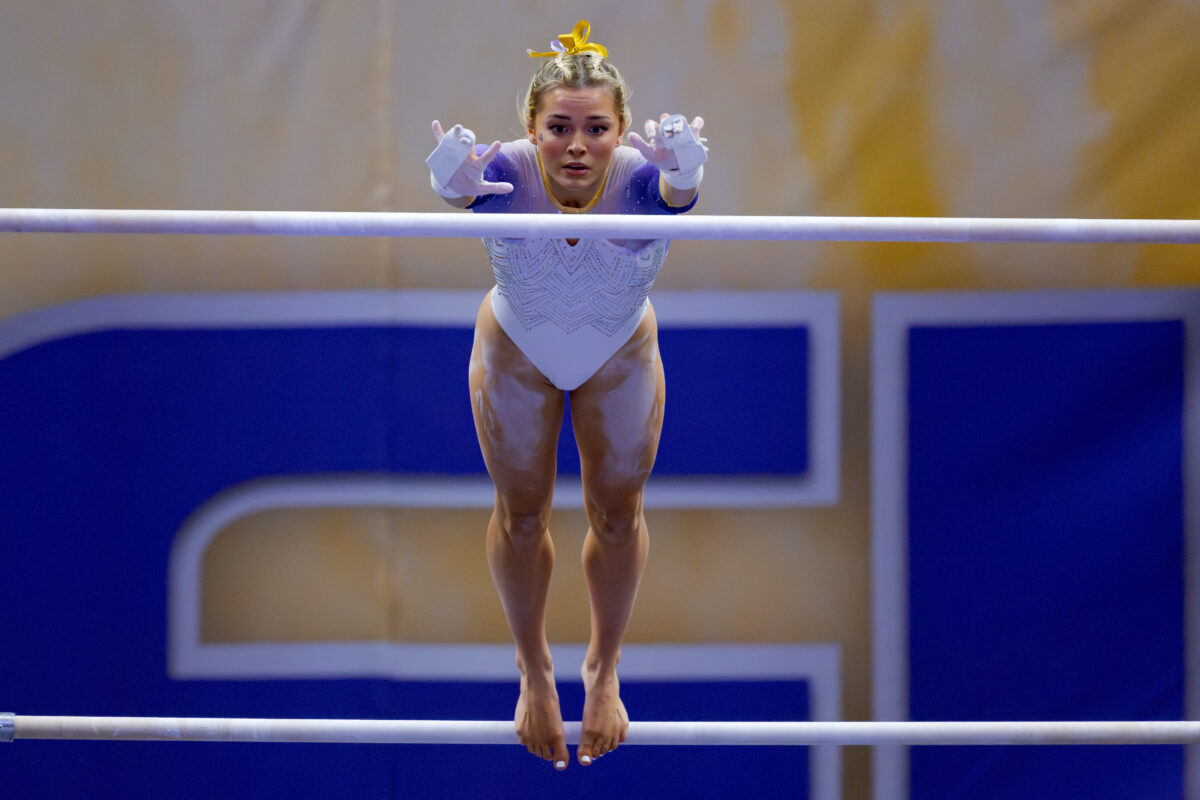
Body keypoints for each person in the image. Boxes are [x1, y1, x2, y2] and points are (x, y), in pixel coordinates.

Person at [427, 19, 706, 771]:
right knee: (521, 516)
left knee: (619, 516)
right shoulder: (506, 169)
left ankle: (604, 669)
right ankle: (535, 671)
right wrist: (449, 178)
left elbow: (682, 190)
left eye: (596, 128)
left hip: (619, 351)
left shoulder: (649, 174)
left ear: (621, 130)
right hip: (516, 347)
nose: (577, 145)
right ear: (530, 128)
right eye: (559, 127)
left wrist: (685, 171)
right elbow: (457, 191)